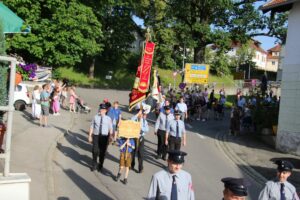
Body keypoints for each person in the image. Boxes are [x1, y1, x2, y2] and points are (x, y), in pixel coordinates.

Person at [88, 104, 113, 172]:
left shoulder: (108, 119)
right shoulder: (95, 117)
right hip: (96, 136)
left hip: (104, 137)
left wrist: (110, 136)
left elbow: (111, 128)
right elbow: (92, 126)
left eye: (102, 110)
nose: (100, 110)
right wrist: (90, 136)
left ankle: (100, 164)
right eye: (100, 109)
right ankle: (94, 164)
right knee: (94, 150)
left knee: (102, 152)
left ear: (105, 111)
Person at [131, 109, 149, 173]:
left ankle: (140, 168)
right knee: (132, 152)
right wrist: (137, 114)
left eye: (142, 114)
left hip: (141, 138)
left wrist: (141, 127)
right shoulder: (135, 119)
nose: (141, 115)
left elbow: (147, 129)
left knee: (140, 154)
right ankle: (132, 164)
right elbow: (131, 120)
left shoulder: (144, 121)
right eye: (140, 114)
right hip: (134, 137)